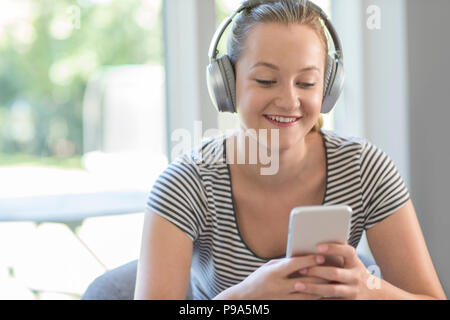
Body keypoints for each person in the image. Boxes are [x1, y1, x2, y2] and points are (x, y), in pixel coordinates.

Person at [134, 0, 446, 300]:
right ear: (227, 84)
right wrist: (246, 297)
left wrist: (369, 289)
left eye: (307, 83)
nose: (289, 100)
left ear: (328, 88)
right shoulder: (186, 184)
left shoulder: (364, 169)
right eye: (267, 80)